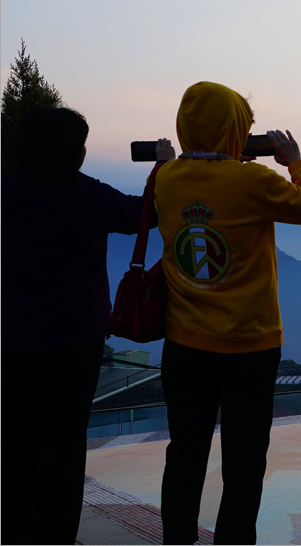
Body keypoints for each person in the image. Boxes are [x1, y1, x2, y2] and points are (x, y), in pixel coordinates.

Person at [155, 81, 301, 544]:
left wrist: (173, 158)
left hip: (183, 344)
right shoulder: (254, 181)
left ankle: (177, 539)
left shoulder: (166, 177)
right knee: (245, 460)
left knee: (185, 453)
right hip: (248, 347)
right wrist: (293, 161)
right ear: (234, 131)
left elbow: (191, 178)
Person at [1, 106, 174, 544]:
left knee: (15, 443)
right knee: (64, 445)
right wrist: (166, 171)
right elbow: (147, 214)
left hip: (11, 342)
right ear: (68, 151)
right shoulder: (88, 196)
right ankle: (55, 535)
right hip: (75, 343)